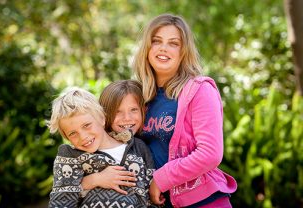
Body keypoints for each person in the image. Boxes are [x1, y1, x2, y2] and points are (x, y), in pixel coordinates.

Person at [132, 13, 237, 208]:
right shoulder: (139, 97)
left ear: (183, 52)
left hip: (203, 202)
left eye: (173, 43)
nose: (163, 48)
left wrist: (161, 179)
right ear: (147, 48)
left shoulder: (199, 90)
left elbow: (210, 153)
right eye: (156, 41)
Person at [47, 85, 155, 207]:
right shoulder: (71, 157)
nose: (83, 137)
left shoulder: (138, 147)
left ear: (102, 119)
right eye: (73, 133)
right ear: (67, 137)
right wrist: (95, 180)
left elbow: (151, 192)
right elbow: (60, 202)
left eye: (87, 125)